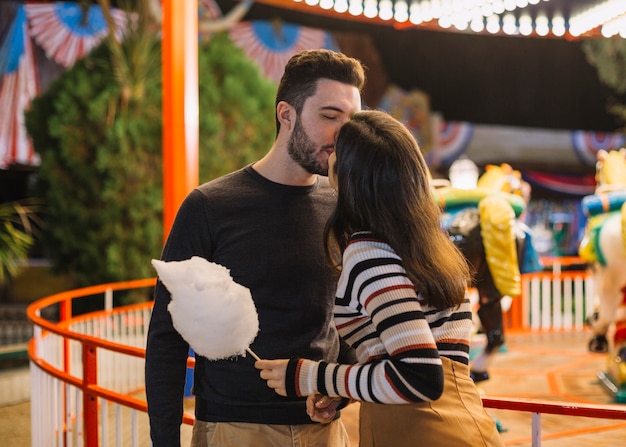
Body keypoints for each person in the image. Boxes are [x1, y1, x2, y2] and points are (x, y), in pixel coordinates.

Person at [144, 49, 366, 447]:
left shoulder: (343, 207)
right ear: (286, 115)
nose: (342, 135)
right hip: (234, 428)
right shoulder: (210, 206)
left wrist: (340, 388)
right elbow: (166, 336)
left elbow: (346, 319)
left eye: (351, 121)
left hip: (325, 430)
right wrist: (165, 439)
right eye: (330, 116)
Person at [256, 110, 504, 447]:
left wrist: (308, 376)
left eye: (336, 155)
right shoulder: (428, 245)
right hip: (462, 425)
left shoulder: (368, 251)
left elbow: (419, 376)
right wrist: (342, 391)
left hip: (418, 432)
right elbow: (423, 361)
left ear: (350, 175)